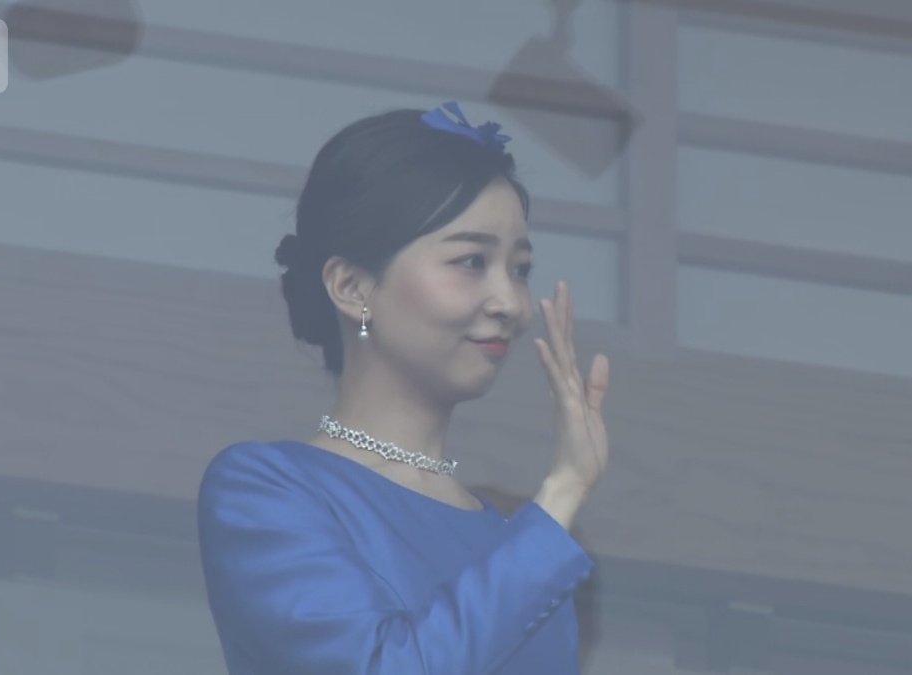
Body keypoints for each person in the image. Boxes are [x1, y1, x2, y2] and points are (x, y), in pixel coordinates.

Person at [197, 101, 611, 674]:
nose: (510, 304)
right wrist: (564, 487)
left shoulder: (523, 543)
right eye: (471, 261)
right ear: (351, 286)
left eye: (520, 269)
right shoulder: (267, 489)